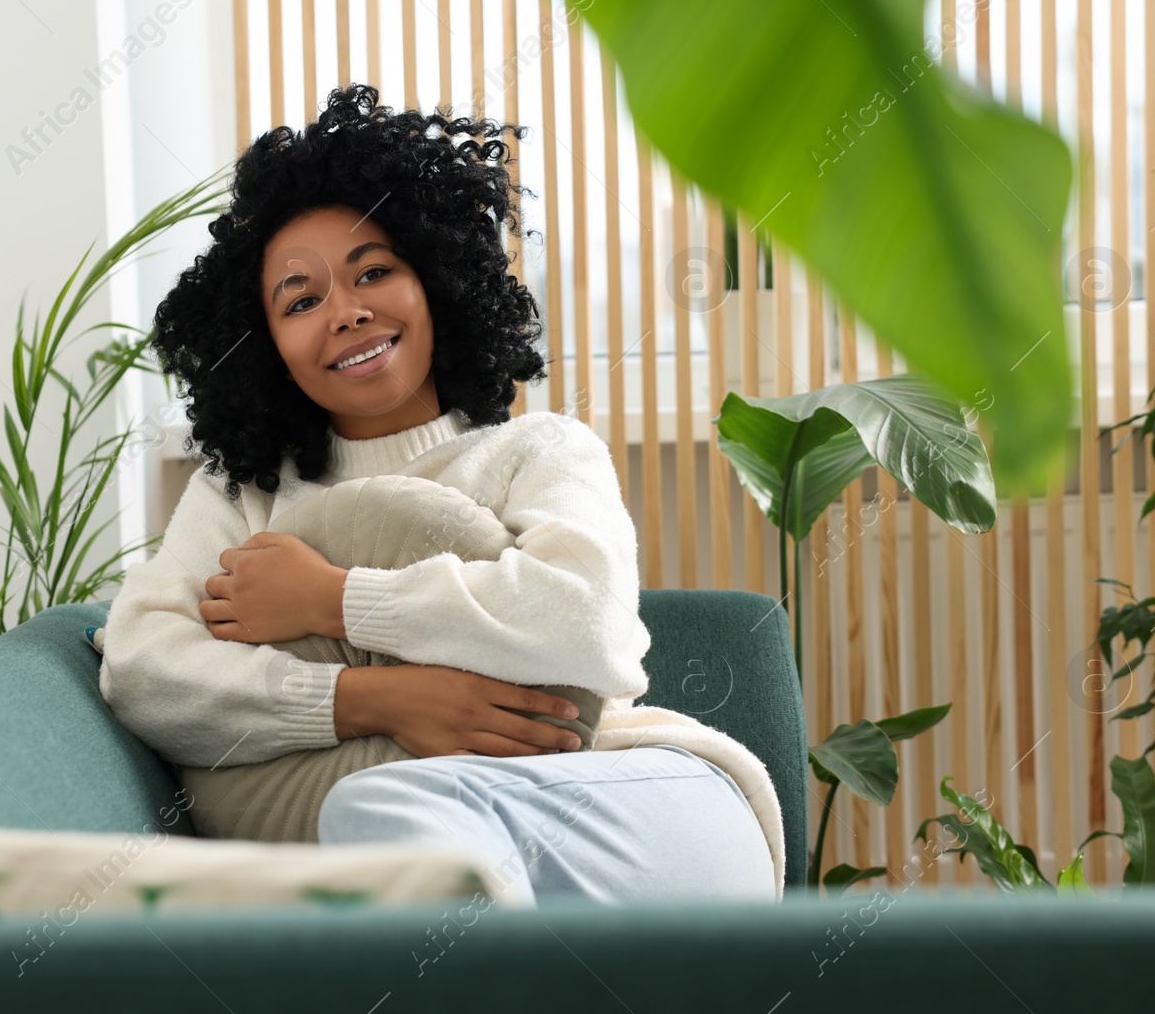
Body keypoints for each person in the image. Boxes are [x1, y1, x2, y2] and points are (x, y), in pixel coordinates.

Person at [98, 83, 784, 907]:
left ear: (435, 283)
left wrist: (337, 601)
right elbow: (145, 668)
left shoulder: (538, 450)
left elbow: (590, 626)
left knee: (386, 810)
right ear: (266, 345)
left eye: (374, 271)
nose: (346, 313)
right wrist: (369, 701)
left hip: (628, 793)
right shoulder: (244, 497)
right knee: (382, 810)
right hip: (410, 835)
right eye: (301, 300)